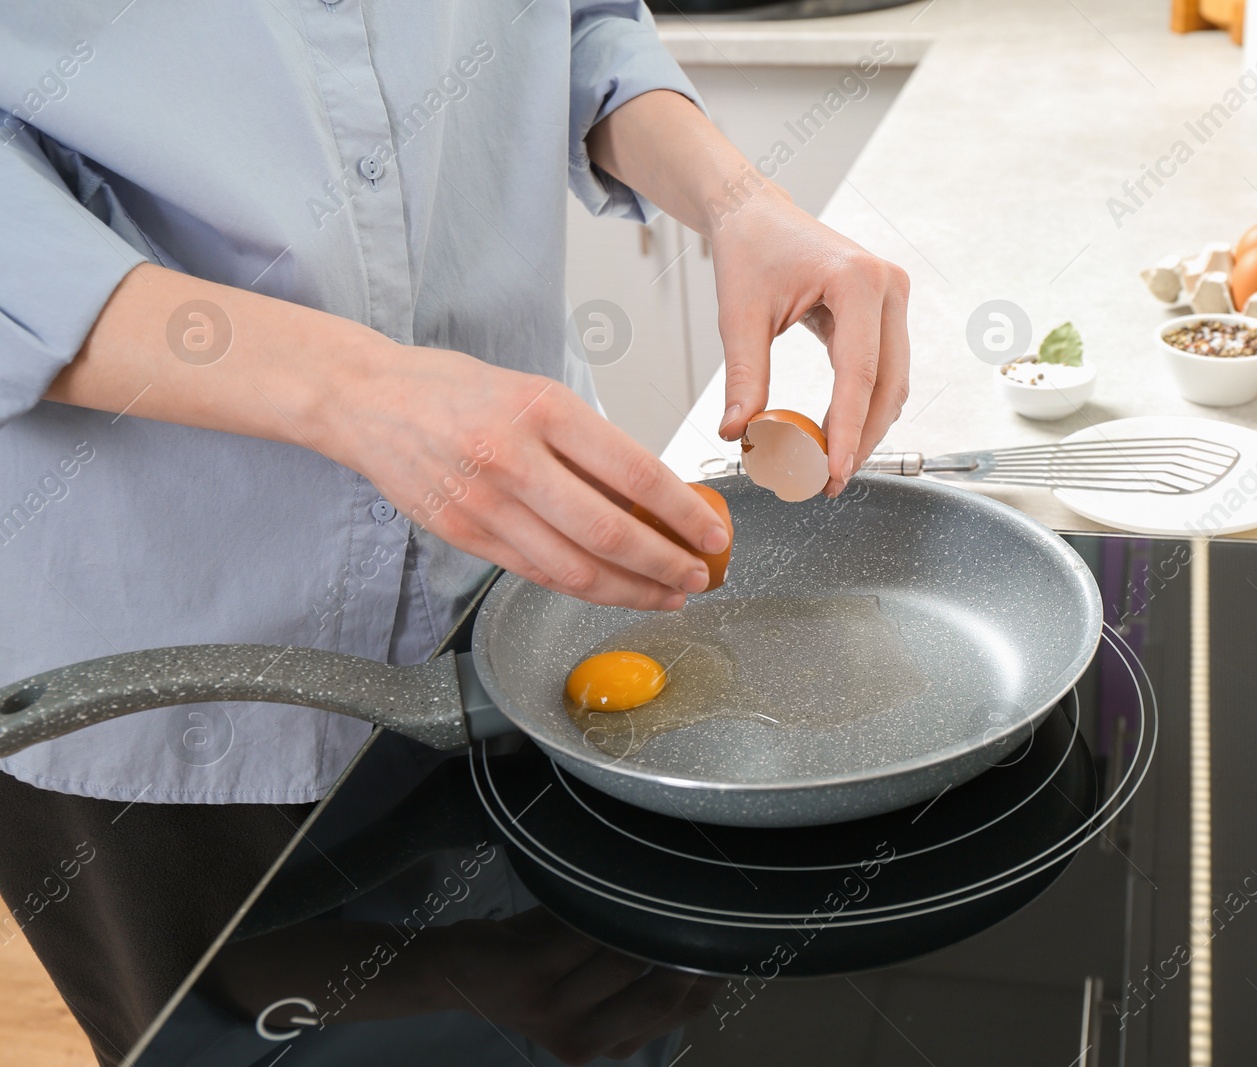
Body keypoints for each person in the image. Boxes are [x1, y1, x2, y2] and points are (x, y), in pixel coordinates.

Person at [0, 4, 909, 1063]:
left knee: (587, 1024)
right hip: (176, 640)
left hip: (519, 564)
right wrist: (357, 389)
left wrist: (735, 196)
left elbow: (574, 23)